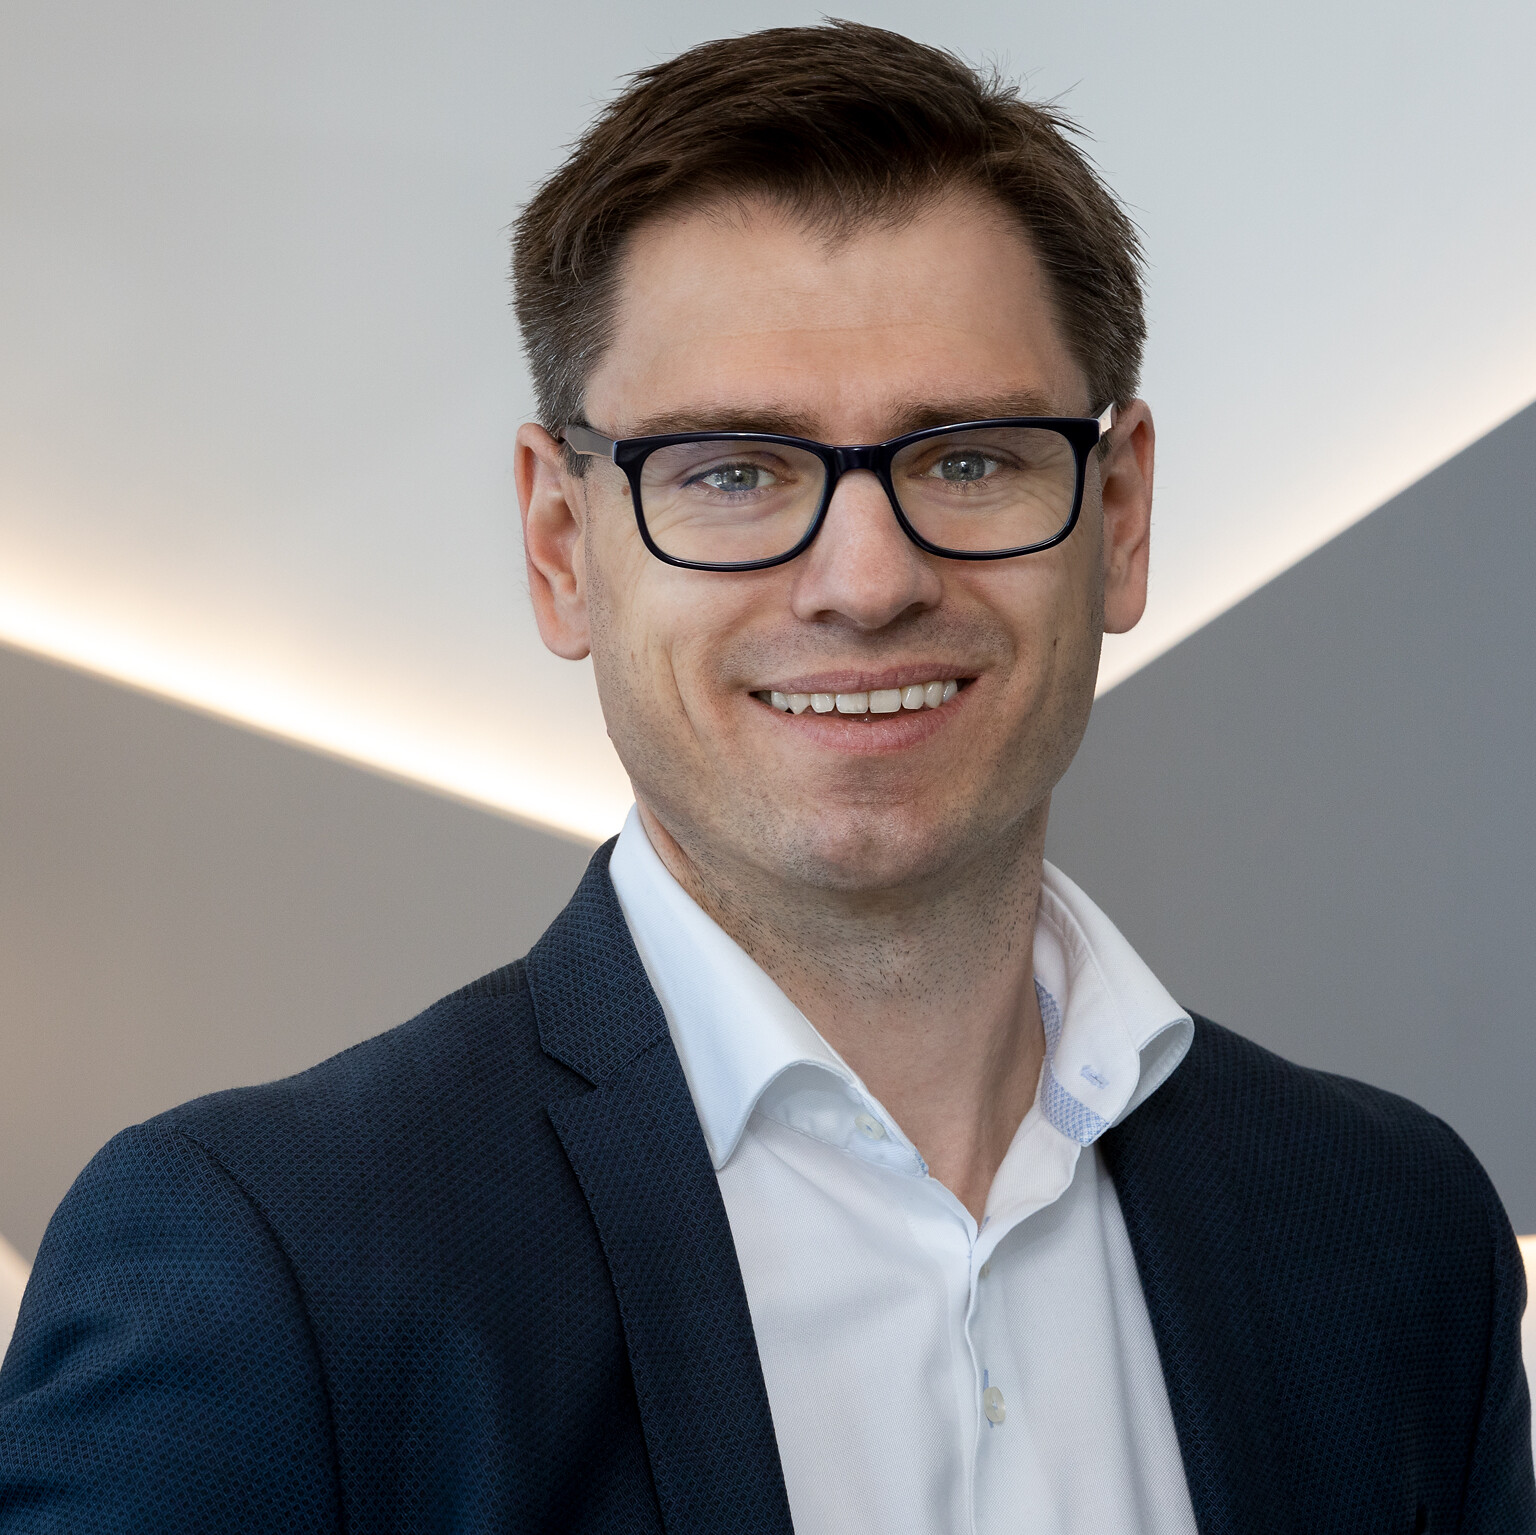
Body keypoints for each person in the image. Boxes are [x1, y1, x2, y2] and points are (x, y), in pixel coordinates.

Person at [0, 20, 1530, 1533]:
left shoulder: (1396, 1243)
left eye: (970, 457)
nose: (866, 581)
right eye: (733, 470)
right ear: (560, 547)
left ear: (1118, 516)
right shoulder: (268, 1268)